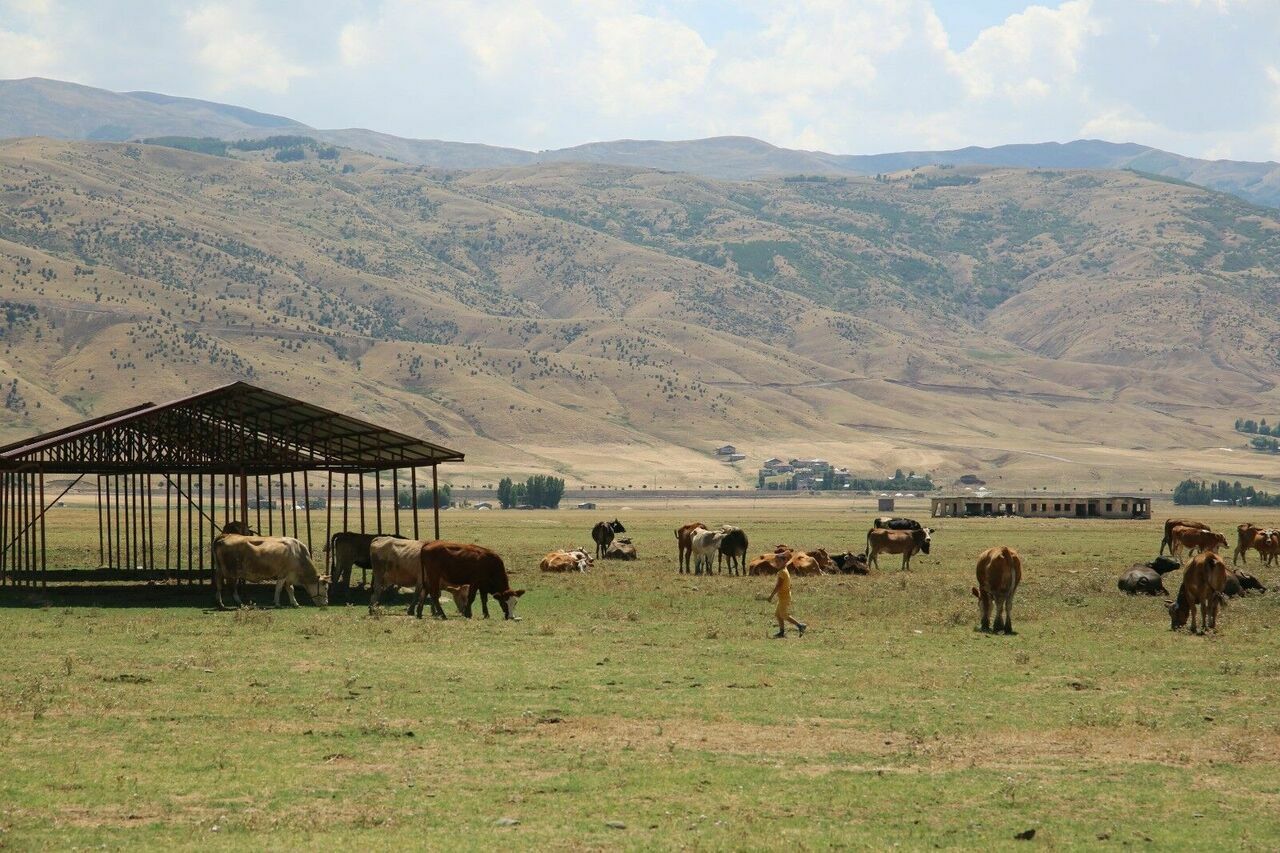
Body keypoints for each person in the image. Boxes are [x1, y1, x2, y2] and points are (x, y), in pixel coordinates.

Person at [768, 565, 807, 638]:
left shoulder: (782, 572)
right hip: (784, 596)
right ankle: (781, 632)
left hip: (784, 597)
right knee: (778, 614)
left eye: (779, 561)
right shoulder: (785, 570)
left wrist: (771, 596)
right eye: (776, 561)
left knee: (783, 615)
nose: (777, 563)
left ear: (784, 562)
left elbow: (778, 586)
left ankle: (800, 625)